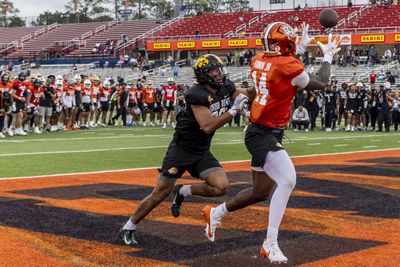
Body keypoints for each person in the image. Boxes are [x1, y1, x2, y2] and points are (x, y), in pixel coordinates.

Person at [201, 22, 341, 264]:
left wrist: (298, 50)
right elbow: (321, 82)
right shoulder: (288, 64)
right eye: (292, 40)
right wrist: (327, 56)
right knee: (288, 179)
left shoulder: (257, 59)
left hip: (261, 131)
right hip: (263, 134)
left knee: (260, 192)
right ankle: (270, 242)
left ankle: (216, 212)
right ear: (284, 45)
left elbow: (282, 68)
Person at [117, 54, 251, 246]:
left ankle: (184, 191)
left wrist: (268, 83)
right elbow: (207, 125)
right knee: (160, 192)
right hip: (181, 151)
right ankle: (129, 226)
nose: (219, 74)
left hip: (201, 150)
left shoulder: (226, 86)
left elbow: (246, 92)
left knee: (221, 186)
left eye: (219, 69)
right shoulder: (195, 93)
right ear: (204, 74)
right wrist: (232, 111)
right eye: (214, 71)